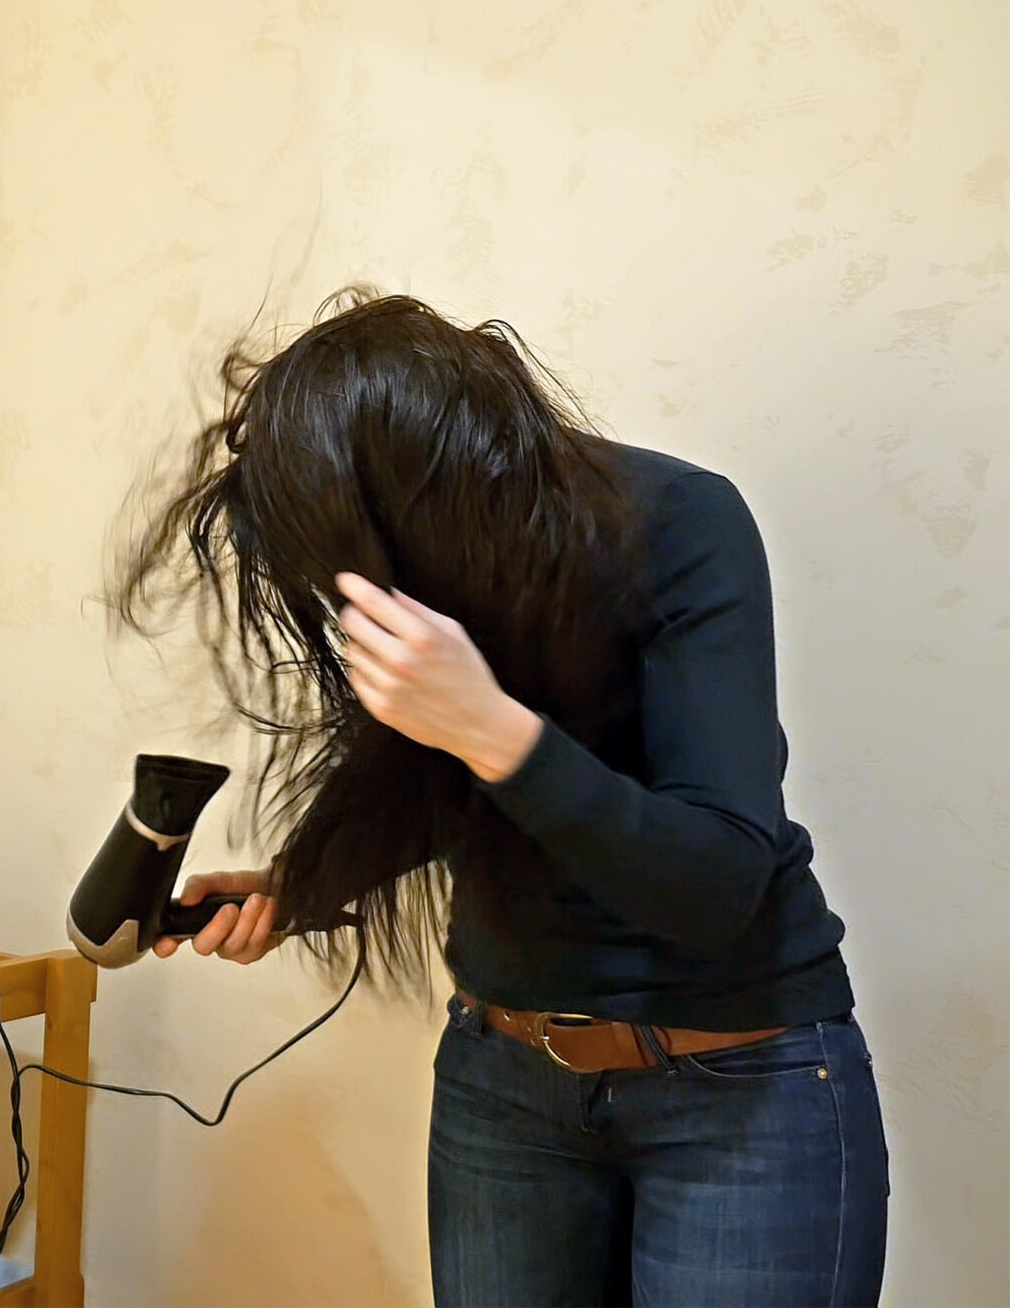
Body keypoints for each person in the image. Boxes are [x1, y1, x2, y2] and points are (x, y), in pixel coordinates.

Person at [113, 292, 886, 1306]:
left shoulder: (681, 523)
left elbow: (718, 881)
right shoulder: (432, 569)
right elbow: (442, 786)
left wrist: (489, 726)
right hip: (503, 1085)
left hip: (739, 1087)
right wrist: (299, 886)